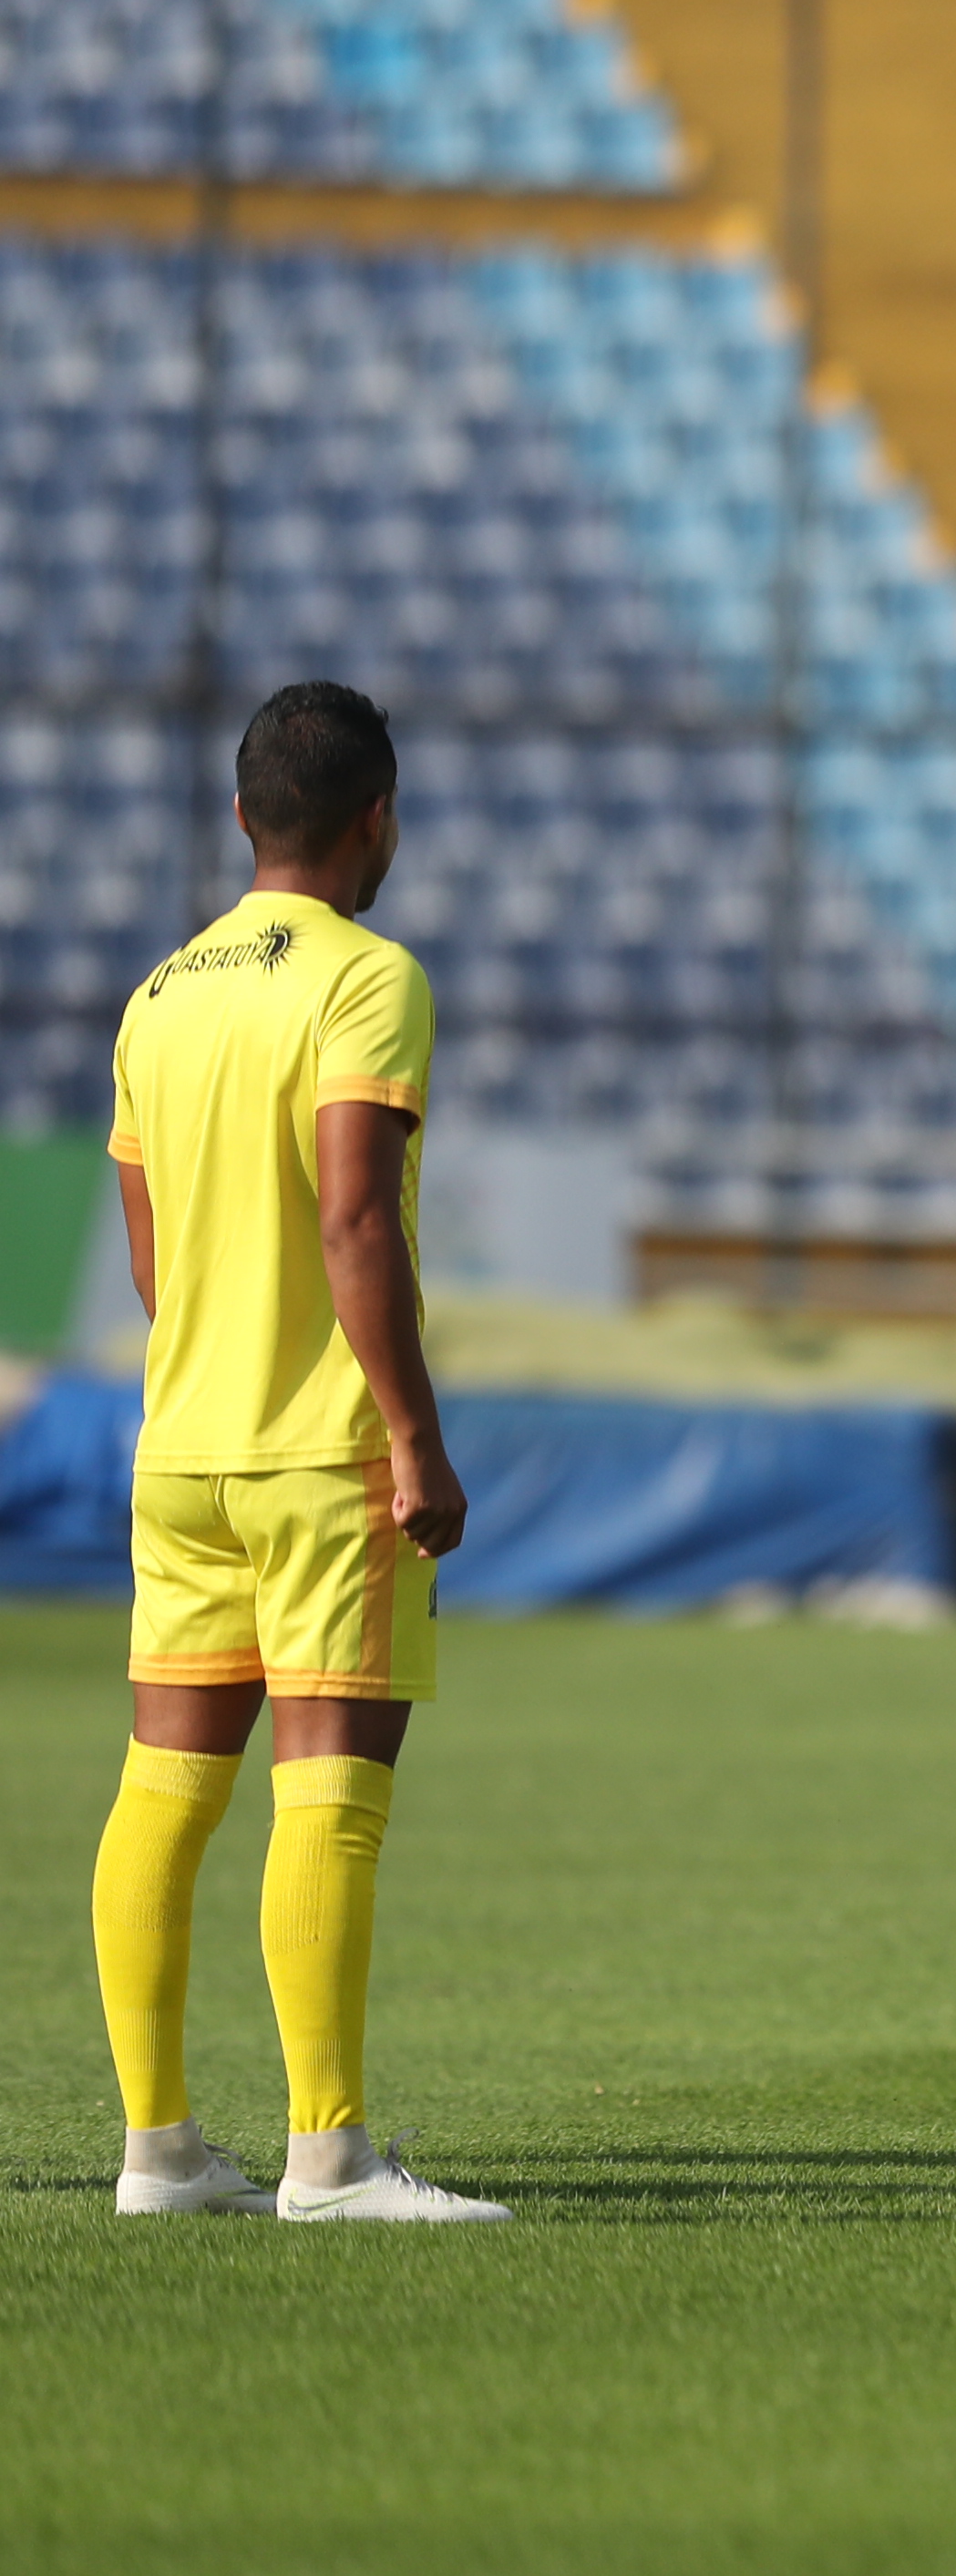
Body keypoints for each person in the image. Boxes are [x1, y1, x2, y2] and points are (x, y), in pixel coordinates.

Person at [92, 680, 505, 2223]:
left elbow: (150, 1258)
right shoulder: (367, 979)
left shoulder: (158, 995)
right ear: (376, 817)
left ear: (245, 812)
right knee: (330, 1794)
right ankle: (327, 2157)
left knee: (165, 1788)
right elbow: (351, 1217)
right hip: (322, 1455)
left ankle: (159, 2153)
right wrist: (414, 1437)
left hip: (182, 1445)